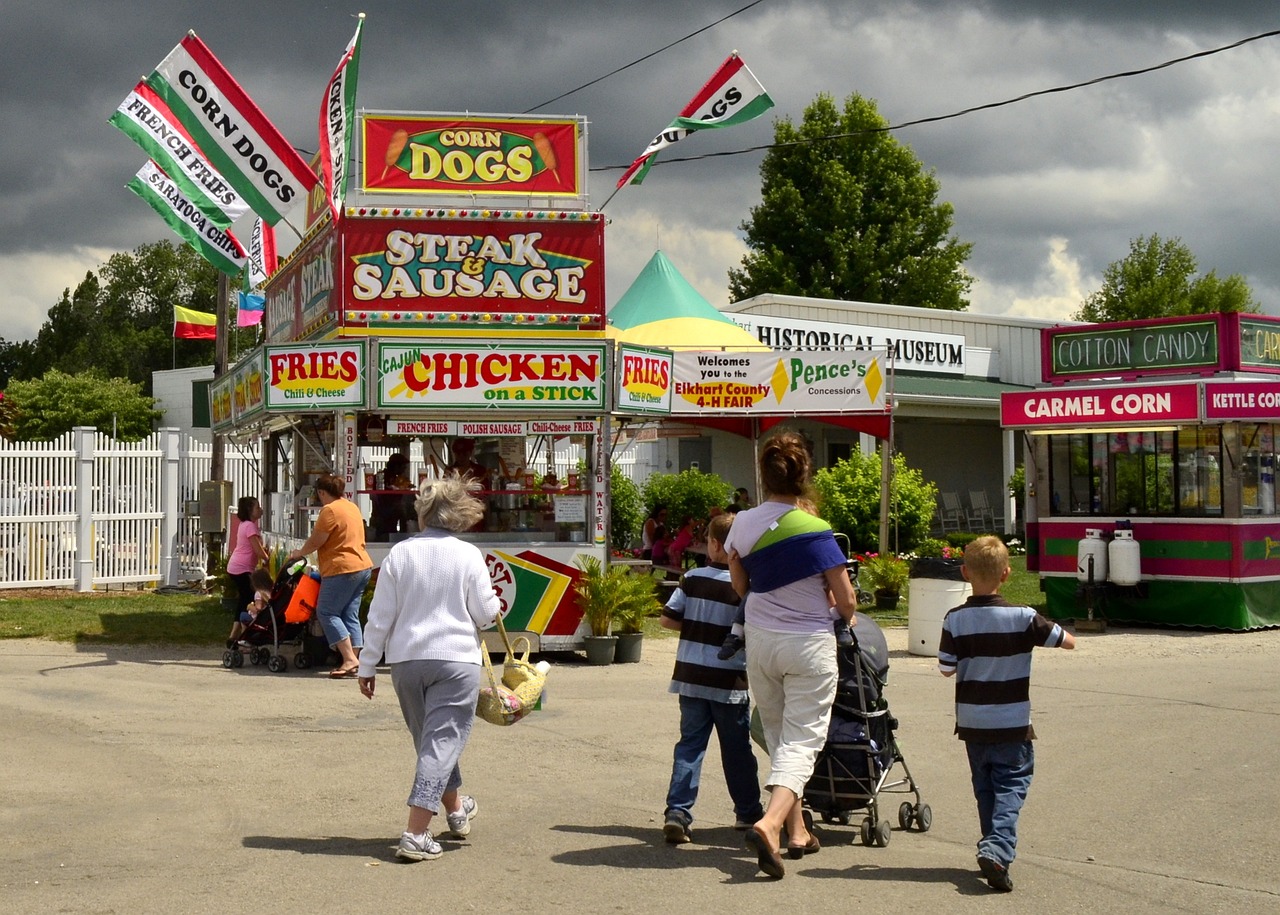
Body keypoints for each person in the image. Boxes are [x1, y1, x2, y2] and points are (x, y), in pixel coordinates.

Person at [725, 430, 855, 879]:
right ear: (805, 475)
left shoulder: (741, 523)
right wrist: (836, 609)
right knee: (803, 739)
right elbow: (847, 600)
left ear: (764, 475)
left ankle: (797, 833)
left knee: (780, 735)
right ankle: (771, 821)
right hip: (807, 644)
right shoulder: (816, 531)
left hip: (760, 639)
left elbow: (741, 587)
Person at [357, 476, 501, 863]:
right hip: (456, 662)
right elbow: (486, 615)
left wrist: (367, 664)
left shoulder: (399, 555)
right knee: (439, 745)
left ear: (422, 513)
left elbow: (379, 616)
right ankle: (416, 833)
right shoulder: (468, 555)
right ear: (457, 516)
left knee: (432, 745)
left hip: (406, 662)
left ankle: (456, 810)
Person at [938, 535, 1076, 893]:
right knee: (1012, 786)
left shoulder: (954, 619)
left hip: (971, 722)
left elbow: (945, 668)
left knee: (985, 788)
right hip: (1012, 722)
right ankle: (997, 849)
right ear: (1006, 574)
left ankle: (992, 847)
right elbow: (1066, 640)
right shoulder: (1024, 617)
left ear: (965, 572)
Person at [659, 513, 763, 844]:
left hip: (690, 676)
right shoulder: (744, 585)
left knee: (690, 745)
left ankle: (678, 811)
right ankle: (747, 812)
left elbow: (667, 620)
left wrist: (694, 627)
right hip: (728, 681)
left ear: (715, 544)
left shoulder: (692, 578)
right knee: (736, 750)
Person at [286, 474, 373, 679]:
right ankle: (353, 660)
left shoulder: (330, 510)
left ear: (322, 493)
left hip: (341, 568)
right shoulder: (351, 506)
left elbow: (317, 540)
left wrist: (299, 553)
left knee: (326, 612)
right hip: (362, 566)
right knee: (350, 614)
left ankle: (349, 659)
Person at [225, 496, 269, 647]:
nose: (261, 510)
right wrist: (267, 558)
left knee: (244, 600)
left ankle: (234, 636)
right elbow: (257, 549)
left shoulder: (245, 525)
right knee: (251, 599)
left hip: (237, 567)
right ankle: (245, 635)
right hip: (242, 568)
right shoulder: (250, 526)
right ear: (250, 511)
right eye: (258, 507)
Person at [370, 453, 415, 540]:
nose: (404, 470)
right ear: (396, 466)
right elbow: (376, 497)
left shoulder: (398, 479)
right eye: (403, 467)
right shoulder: (381, 478)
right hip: (382, 516)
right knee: (382, 539)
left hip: (393, 516)